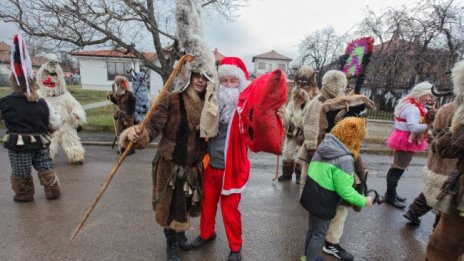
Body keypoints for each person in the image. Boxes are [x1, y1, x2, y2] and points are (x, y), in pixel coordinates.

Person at [188, 57, 285, 261]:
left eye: (233, 81)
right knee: (207, 205)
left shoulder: (245, 112)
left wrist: (276, 113)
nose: (228, 86)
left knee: (230, 211)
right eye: (225, 81)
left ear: (241, 83)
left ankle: (235, 247)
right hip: (211, 166)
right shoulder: (212, 106)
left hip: (232, 170)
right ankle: (206, 234)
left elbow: (262, 113)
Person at [121, 61, 218, 260]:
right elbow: (153, 126)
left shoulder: (211, 104)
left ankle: (181, 234)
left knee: (186, 203)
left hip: (193, 167)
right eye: (196, 74)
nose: (200, 79)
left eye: (205, 76)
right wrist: (138, 135)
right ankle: (171, 243)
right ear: (189, 76)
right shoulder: (171, 99)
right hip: (170, 164)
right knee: (169, 206)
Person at [298, 70, 356, 261]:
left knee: (325, 211)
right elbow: (311, 127)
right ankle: (326, 245)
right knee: (323, 205)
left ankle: (322, 245)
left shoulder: (333, 101)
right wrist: (316, 151)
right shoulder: (321, 101)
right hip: (323, 158)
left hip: (331, 155)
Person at [300, 117, 373, 261]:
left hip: (311, 195)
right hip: (324, 200)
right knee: (320, 234)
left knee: (312, 229)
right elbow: (345, 191)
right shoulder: (345, 159)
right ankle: (311, 259)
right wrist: (364, 200)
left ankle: (306, 257)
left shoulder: (323, 146)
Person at [0, 34, 63, 202]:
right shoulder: (42, 102)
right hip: (41, 140)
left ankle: (24, 194)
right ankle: (52, 190)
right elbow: (56, 121)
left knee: (21, 169)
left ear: (12, 80)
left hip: (18, 144)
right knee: (45, 166)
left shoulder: (6, 103)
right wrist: (48, 130)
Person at [425, 60, 464, 261]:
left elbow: (443, 145)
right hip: (447, 172)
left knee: (443, 245)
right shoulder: (449, 110)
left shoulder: (454, 110)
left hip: (454, 181)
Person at [384, 81, 436, 209]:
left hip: (404, 137)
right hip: (406, 139)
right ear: (421, 94)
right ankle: (390, 196)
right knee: (398, 167)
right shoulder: (413, 108)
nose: (429, 98)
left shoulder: (411, 104)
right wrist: (428, 125)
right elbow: (414, 127)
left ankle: (391, 194)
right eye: (428, 96)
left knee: (397, 166)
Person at [403, 101, 457, 225]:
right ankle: (437, 228)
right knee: (446, 194)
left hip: (439, 153)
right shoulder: (453, 109)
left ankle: (413, 212)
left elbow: (436, 128)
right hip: (451, 157)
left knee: (433, 189)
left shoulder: (447, 107)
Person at [36, 53, 87, 165]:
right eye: (47, 74)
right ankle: (46, 158)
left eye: (53, 75)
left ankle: (76, 157)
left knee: (71, 140)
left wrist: (76, 114)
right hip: (48, 125)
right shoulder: (38, 95)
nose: (50, 78)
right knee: (48, 143)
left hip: (65, 123)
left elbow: (76, 106)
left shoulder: (65, 95)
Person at [278, 66, 319, 183]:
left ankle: (299, 176)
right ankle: (286, 174)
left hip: (304, 136)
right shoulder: (292, 103)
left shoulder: (313, 103)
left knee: (301, 157)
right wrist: (282, 113)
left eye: (305, 87)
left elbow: (312, 120)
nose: (301, 90)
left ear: (311, 88)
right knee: (287, 153)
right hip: (292, 134)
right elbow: (287, 118)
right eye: (298, 86)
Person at [107, 76, 136, 155]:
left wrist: (127, 119)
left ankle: (130, 149)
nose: (117, 85)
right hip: (120, 116)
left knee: (128, 133)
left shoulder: (130, 95)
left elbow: (132, 109)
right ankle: (123, 147)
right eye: (117, 83)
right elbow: (118, 103)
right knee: (121, 133)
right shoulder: (120, 93)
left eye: (118, 83)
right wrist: (110, 97)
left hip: (127, 116)